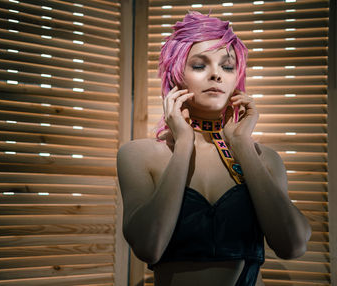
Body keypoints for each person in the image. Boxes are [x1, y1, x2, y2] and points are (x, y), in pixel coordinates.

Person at [116, 11, 311, 286]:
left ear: (237, 77)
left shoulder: (264, 158)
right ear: (176, 75)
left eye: (227, 66)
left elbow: (293, 246)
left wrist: (242, 143)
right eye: (199, 65)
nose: (216, 75)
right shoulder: (139, 155)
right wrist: (183, 143)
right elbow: (149, 247)